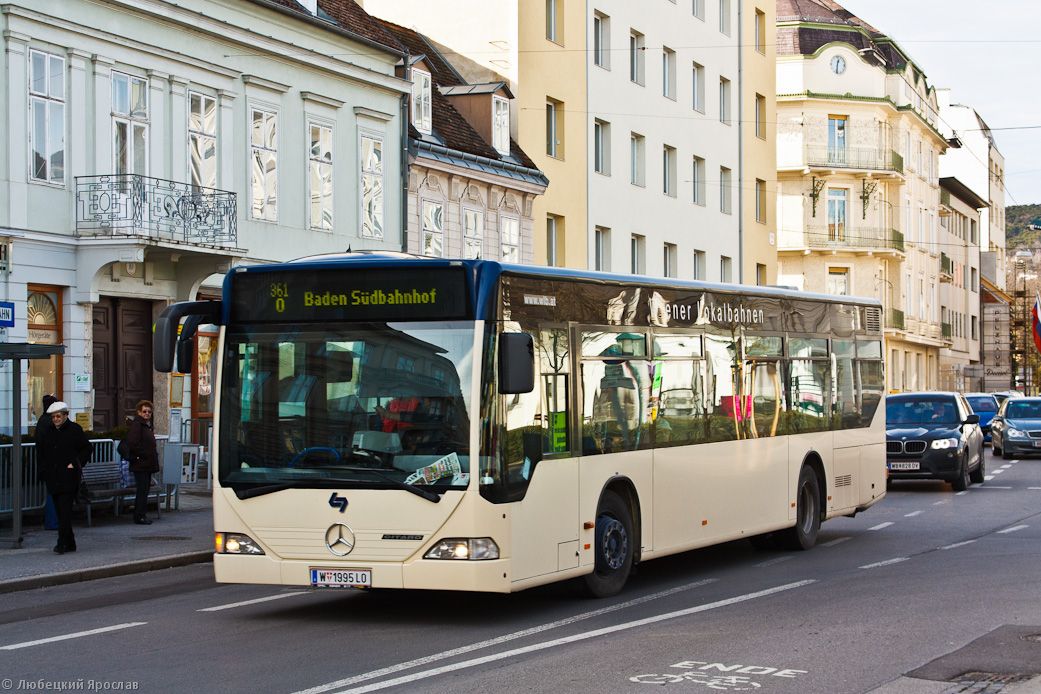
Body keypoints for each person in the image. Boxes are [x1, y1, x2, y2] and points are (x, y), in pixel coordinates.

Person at [36, 401, 92, 554]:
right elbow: (41, 452)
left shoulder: (74, 430)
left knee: (65, 510)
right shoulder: (48, 431)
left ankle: (61, 543)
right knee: (60, 511)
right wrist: (43, 471)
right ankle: (70, 541)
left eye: (58, 416)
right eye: (53, 417)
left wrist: (75, 463)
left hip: (68, 477)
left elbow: (86, 448)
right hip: (53, 477)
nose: (55, 419)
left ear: (66, 415)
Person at [126, 400, 160, 525]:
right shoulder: (137, 425)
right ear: (139, 412)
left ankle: (142, 514)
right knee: (142, 491)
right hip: (140, 464)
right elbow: (133, 442)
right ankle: (139, 516)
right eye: (144, 411)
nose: (147, 413)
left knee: (144, 491)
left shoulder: (145, 425)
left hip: (146, 464)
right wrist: (144, 454)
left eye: (149, 412)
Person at [36, 394, 59, 530]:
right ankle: (53, 522)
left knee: (53, 492)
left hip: (47, 462)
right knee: (53, 493)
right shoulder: (49, 422)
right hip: (51, 463)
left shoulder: (43, 420)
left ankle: (53, 521)